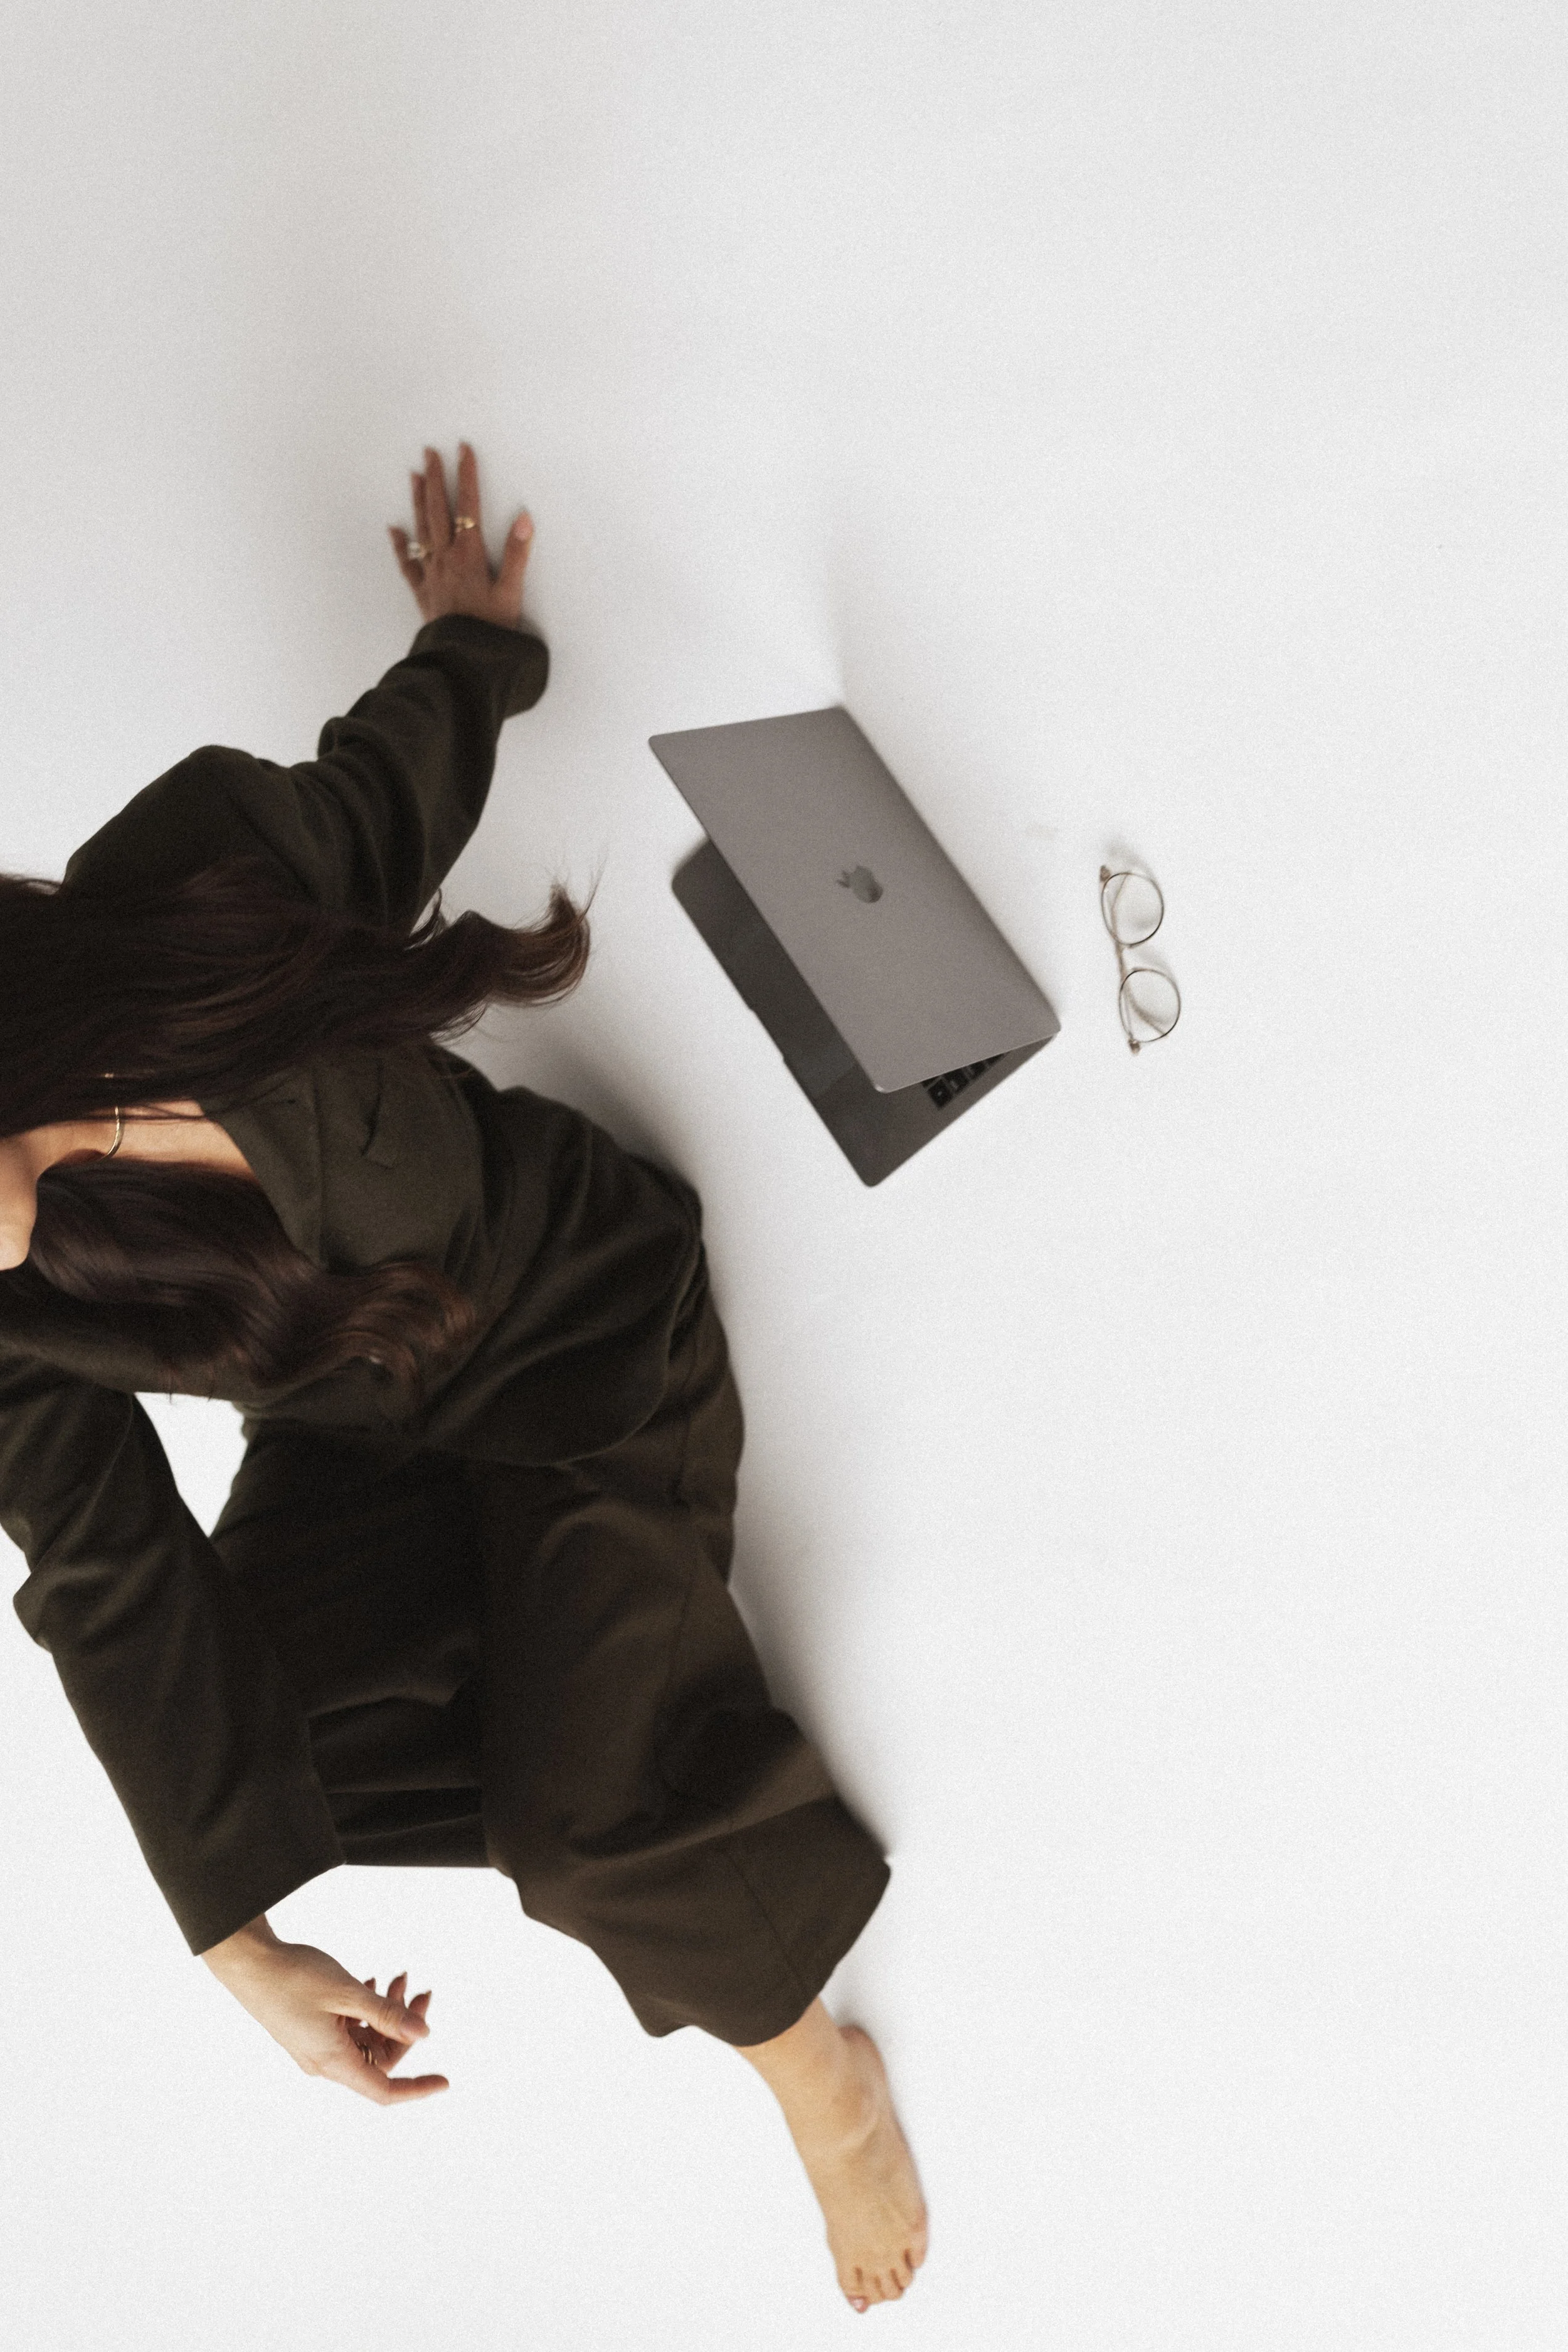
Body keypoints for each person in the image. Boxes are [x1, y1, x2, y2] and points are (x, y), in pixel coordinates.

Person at [0, 445, 927, 2312]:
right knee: (280, 1764)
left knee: (578, 1828)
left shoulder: (178, 886)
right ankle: (609, 1686)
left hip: (577, 1325)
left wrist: (471, 651)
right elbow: (108, 1577)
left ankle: (803, 2054)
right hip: (363, 1433)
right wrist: (236, 1942)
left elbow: (373, 811)